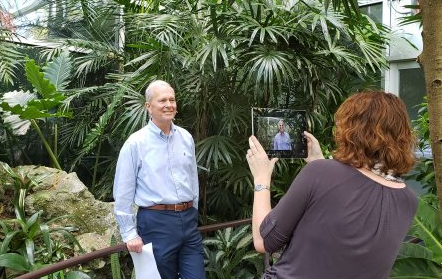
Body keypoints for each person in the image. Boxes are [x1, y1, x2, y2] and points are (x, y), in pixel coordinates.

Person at [246, 91, 418, 279]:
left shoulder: (321, 173)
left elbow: (263, 241)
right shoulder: (408, 200)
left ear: (351, 130)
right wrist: (318, 161)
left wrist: (261, 179)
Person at [113, 80, 204, 279]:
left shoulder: (186, 137)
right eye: (162, 100)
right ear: (148, 107)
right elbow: (123, 191)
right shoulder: (135, 143)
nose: (169, 104)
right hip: (156, 223)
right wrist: (129, 233)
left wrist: (193, 210)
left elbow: (192, 178)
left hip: (188, 220)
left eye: (172, 99)